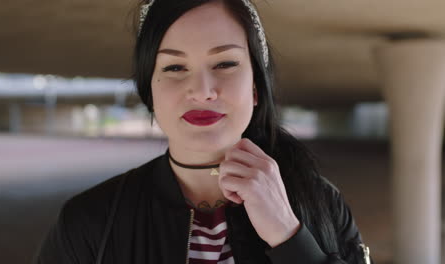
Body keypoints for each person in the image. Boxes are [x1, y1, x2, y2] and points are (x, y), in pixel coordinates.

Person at [36, 0, 373, 263]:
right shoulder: (90, 220)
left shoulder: (321, 201)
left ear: (255, 88)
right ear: (150, 92)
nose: (202, 91)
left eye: (225, 63)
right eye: (174, 67)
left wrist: (288, 235)